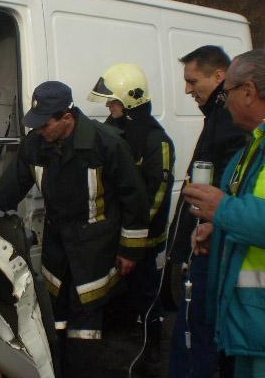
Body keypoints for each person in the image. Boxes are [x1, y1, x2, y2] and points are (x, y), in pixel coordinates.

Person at [0, 80, 149, 378]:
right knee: (55, 315)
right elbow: (10, 188)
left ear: (66, 117)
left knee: (85, 320)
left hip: (95, 247)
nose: (39, 130)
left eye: (45, 124)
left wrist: (130, 250)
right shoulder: (35, 145)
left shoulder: (107, 144)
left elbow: (134, 198)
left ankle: (82, 370)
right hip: (57, 246)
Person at [182, 49, 265, 378]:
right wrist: (219, 226)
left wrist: (222, 209)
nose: (223, 101)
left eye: (226, 92)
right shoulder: (255, 142)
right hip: (250, 321)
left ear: (248, 91)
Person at [89, 62, 175, 376]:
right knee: (119, 291)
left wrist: (134, 236)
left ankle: (152, 347)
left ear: (129, 102)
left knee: (146, 293)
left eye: (113, 102)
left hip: (145, 239)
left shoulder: (156, 141)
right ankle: (126, 337)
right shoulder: (115, 133)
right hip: (119, 233)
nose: (108, 108)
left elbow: (156, 196)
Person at [169, 46, 247, 378]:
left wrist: (216, 220)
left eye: (192, 81)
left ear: (219, 76)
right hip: (206, 234)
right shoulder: (217, 114)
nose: (187, 90)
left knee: (197, 333)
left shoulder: (229, 118)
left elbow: (234, 186)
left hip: (212, 242)